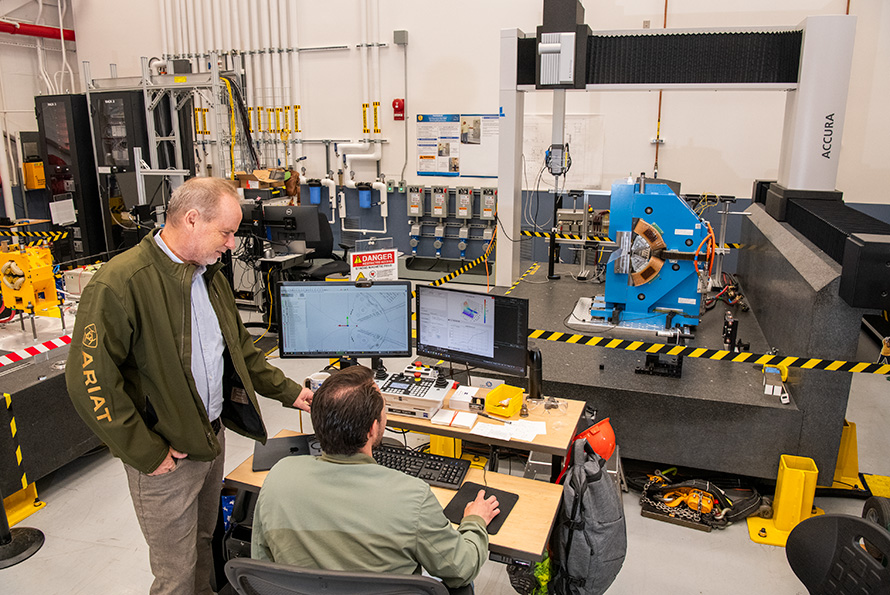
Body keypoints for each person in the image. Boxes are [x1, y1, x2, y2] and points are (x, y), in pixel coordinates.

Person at [65, 176, 313, 595]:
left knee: (204, 547)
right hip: (166, 456)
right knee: (175, 574)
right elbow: (90, 382)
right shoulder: (121, 283)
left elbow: (240, 352)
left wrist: (290, 393)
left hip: (208, 439)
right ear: (193, 220)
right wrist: (148, 452)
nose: (233, 244)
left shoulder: (209, 275)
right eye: (227, 232)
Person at [251, 365, 500, 590]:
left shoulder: (278, 477)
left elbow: (262, 568)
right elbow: (461, 570)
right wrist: (475, 521)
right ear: (372, 428)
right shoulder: (411, 497)